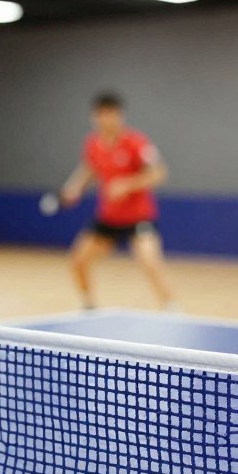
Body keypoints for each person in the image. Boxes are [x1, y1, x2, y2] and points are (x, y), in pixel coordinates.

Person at [59, 93, 176, 311]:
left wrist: (127, 184)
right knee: (78, 261)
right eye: (101, 114)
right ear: (95, 117)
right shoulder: (93, 144)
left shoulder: (136, 142)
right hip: (109, 217)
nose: (106, 119)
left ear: (120, 115)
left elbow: (159, 173)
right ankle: (89, 307)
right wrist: (73, 189)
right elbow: (88, 169)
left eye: (111, 114)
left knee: (151, 263)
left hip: (139, 217)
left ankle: (171, 309)